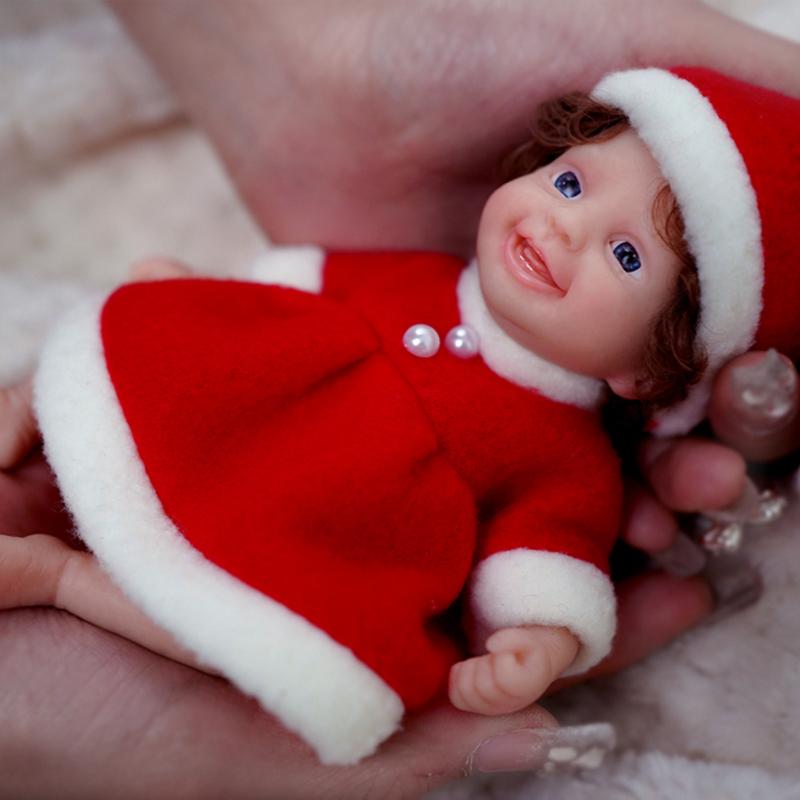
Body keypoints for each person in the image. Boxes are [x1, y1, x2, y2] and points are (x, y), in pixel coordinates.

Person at [1, 1, 799, 797]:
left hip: (336, 531)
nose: (563, 229)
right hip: (257, 404)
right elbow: (313, 286)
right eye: (569, 181)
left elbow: (547, 545)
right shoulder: (415, 270)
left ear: (647, 375)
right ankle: (22, 417)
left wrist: (540, 639)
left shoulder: (565, 451)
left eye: (625, 254)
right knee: (117, 358)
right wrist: (199, 299)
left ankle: (59, 579)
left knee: (268, 641)